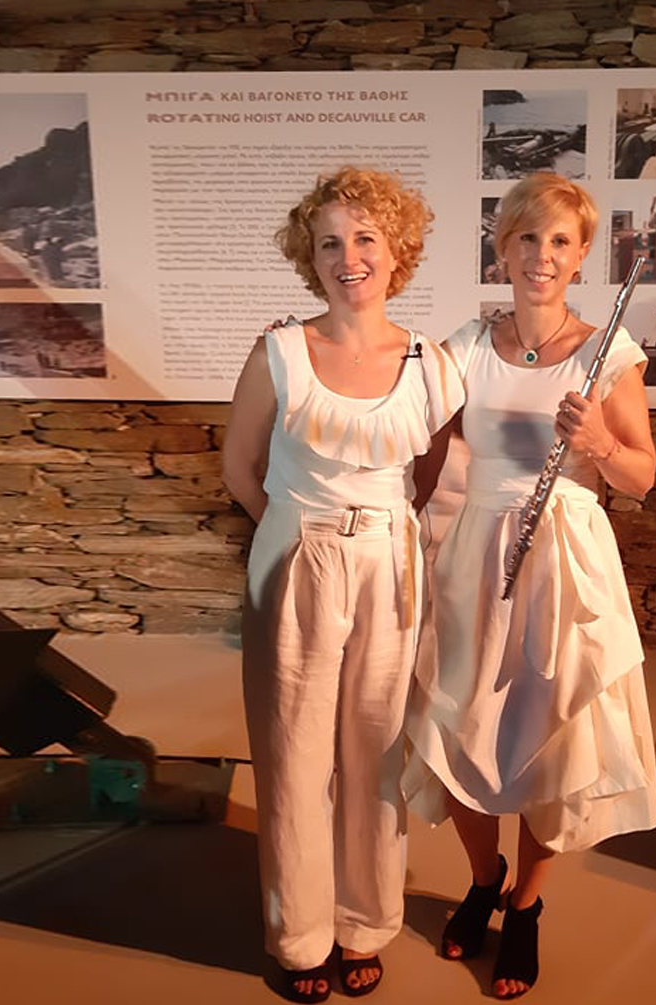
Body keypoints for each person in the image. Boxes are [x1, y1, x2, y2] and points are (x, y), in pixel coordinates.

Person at [405, 172, 656, 1000]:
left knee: (550, 734)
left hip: (566, 559)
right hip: (477, 554)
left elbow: (642, 478)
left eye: (559, 241)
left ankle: (525, 904)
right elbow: (422, 450)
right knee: (460, 726)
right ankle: (484, 878)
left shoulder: (607, 353)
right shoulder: (468, 344)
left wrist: (599, 443)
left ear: (582, 255)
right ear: (503, 248)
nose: (541, 256)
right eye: (527, 238)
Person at [221, 166, 460, 1004]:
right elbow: (240, 468)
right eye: (329, 242)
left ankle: (365, 921)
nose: (348, 256)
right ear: (310, 256)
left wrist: (376, 534)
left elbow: (428, 472)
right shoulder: (279, 352)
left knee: (377, 751)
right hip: (300, 556)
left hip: (389, 563)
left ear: (397, 251)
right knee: (292, 754)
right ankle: (299, 935)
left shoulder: (433, 363)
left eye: (364, 238)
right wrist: (297, 535)